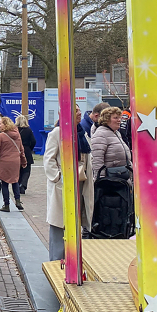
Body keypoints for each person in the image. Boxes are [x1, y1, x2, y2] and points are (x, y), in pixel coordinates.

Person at [44, 105, 92, 261]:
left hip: (80, 184)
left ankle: (72, 262)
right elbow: (49, 159)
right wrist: (58, 178)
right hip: (63, 187)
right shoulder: (57, 133)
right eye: (75, 110)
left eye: (79, 110)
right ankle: (55, 263)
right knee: (59, 227)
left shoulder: (82, 134)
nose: (79, 113)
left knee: (76, 225)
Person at [0, 116, 28, 212]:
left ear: (5, 125)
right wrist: (24, 161)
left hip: (4, 161)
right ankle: (17, 201)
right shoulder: (17, 135)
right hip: (15, 161)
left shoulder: (1, 136)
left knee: (4, 183)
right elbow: (21, 150)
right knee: (15, 181)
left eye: (0, 123)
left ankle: (6, 205)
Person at [15, 115, 37, 194]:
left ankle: (17, 185)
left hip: (17, 151)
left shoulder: (15, 130)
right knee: (26, 170)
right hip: (26, 150)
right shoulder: (28, 130)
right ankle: (23, 185)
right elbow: (33, 141)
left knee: (18, 170)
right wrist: (29, 148)